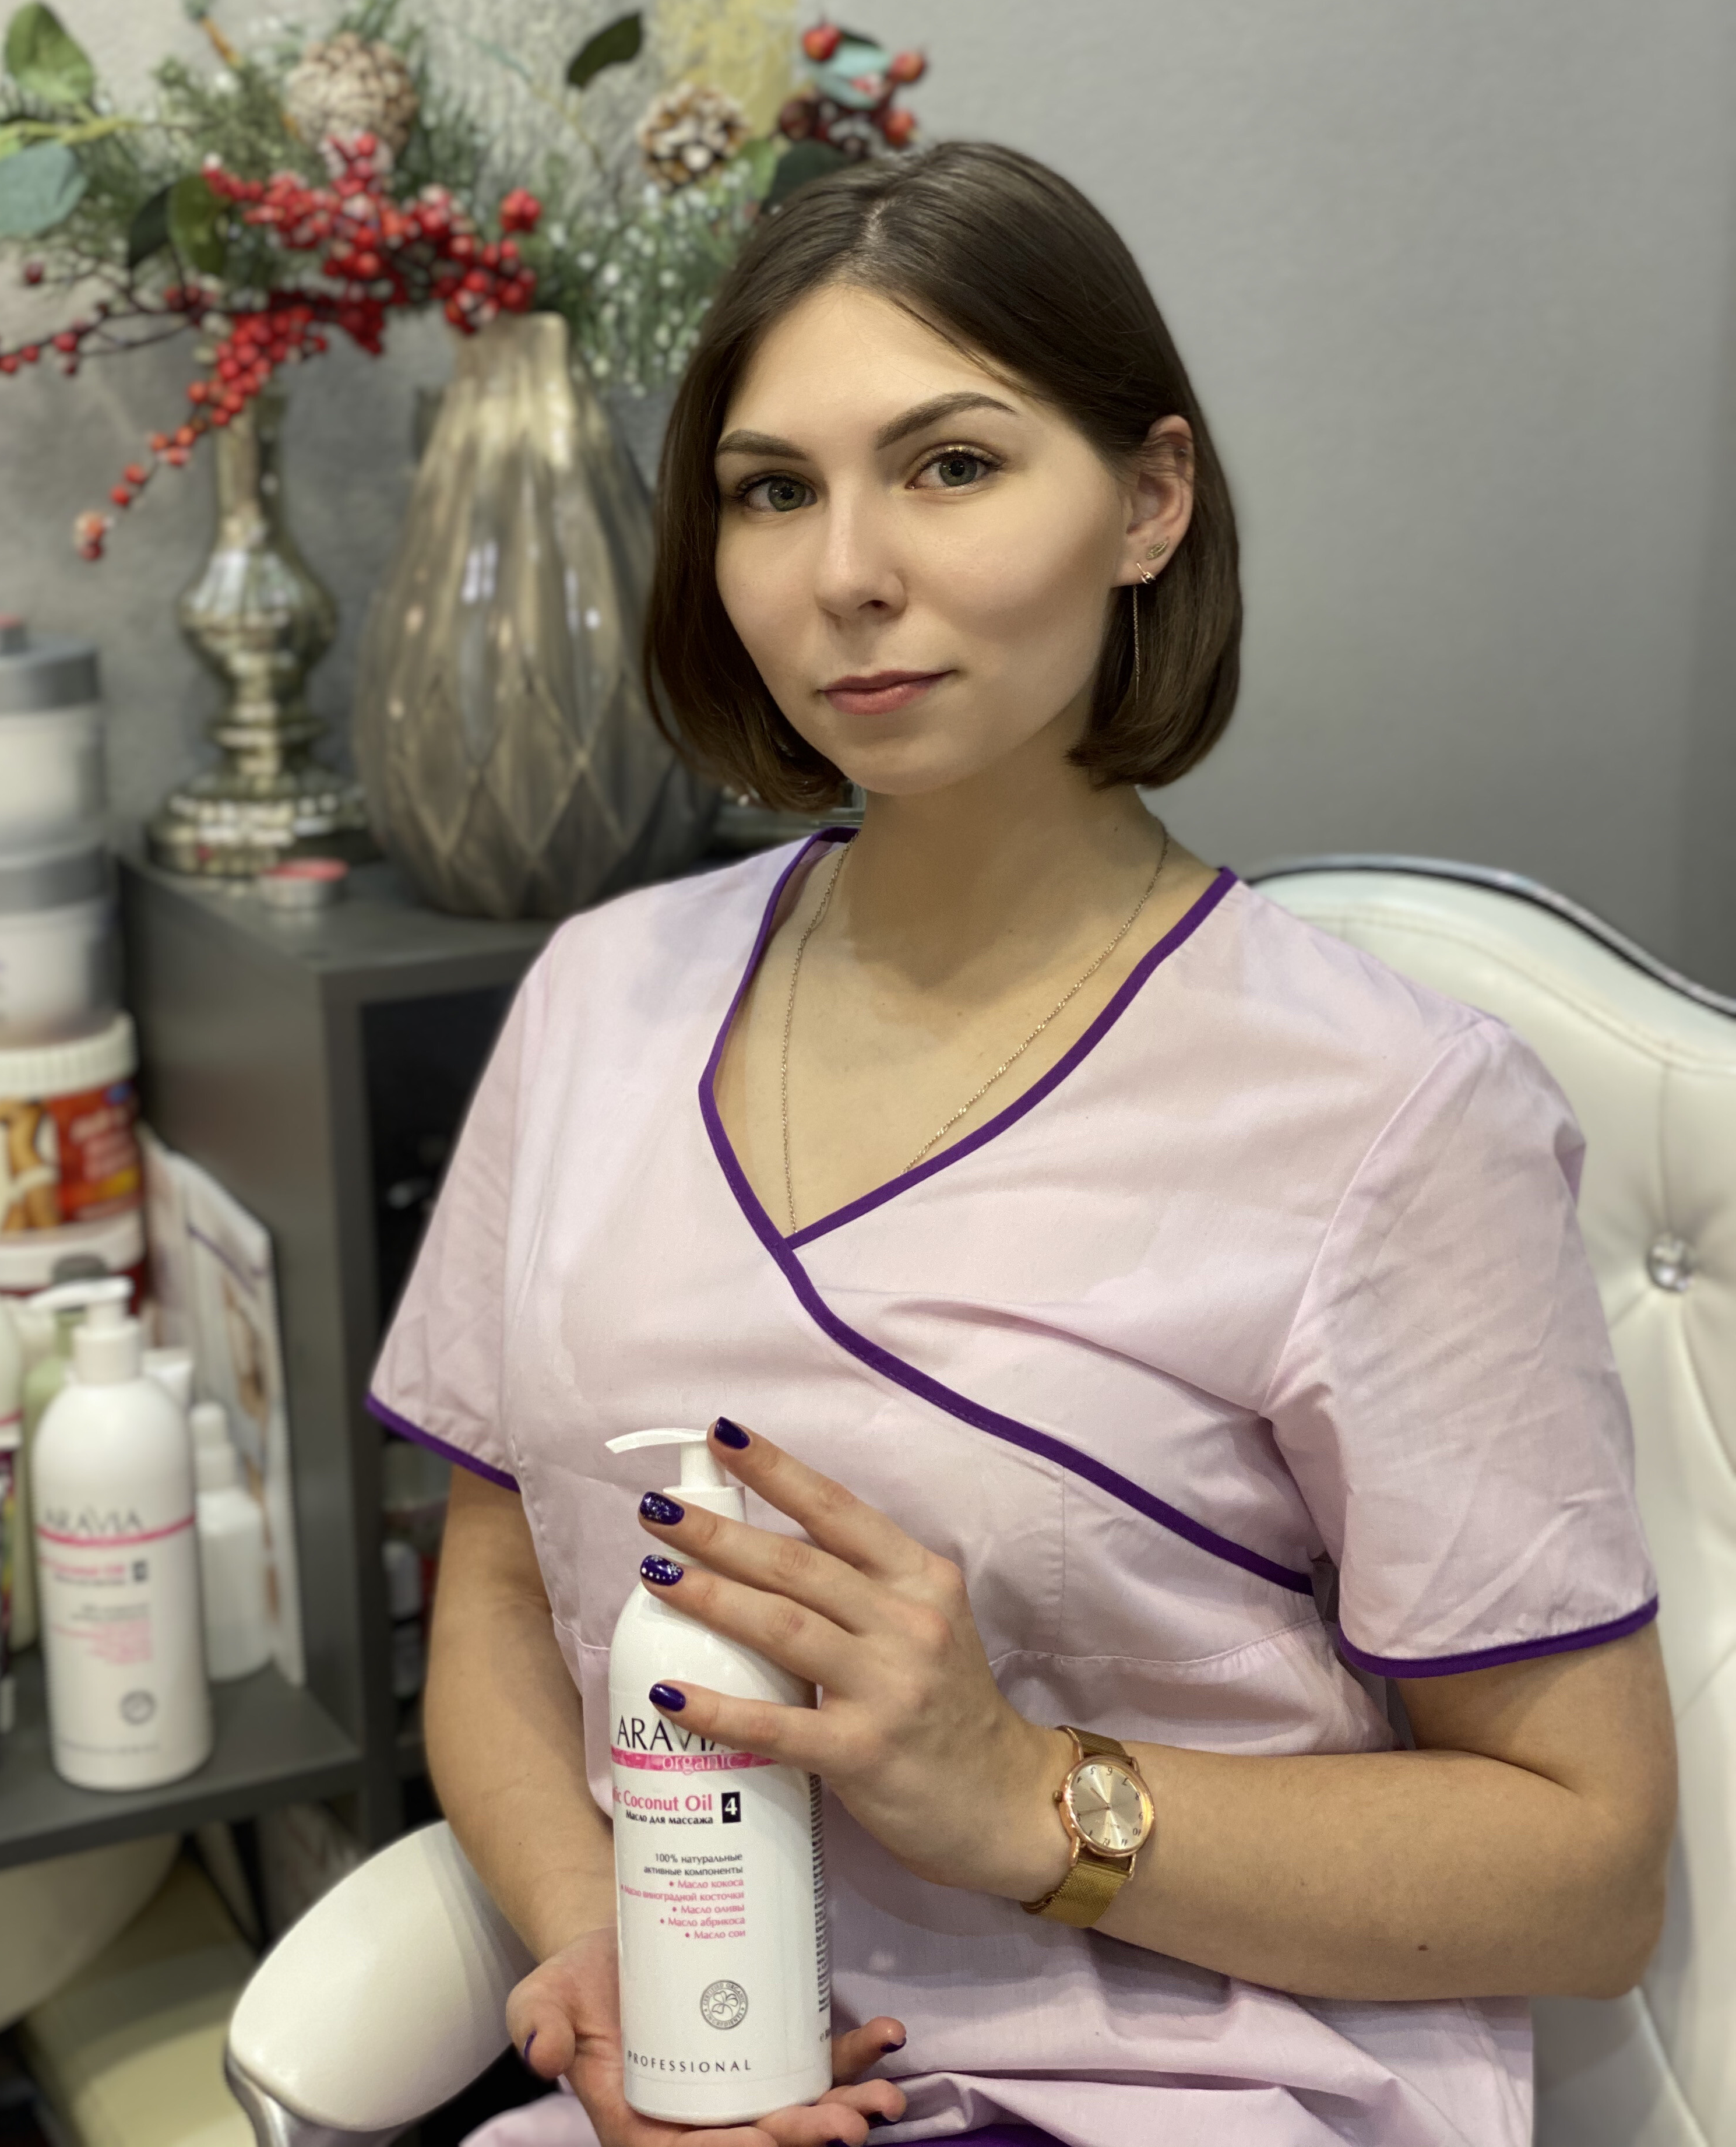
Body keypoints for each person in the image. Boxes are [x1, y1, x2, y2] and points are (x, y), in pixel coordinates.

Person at [370, 143, 1675, 2147]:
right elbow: (493, 1590)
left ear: (1151, 501)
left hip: (1190, 2087)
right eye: (772, 490)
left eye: (953, 465)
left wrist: (1022, 1796)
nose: (845, 572)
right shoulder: (601, 996)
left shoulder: (1392, 1112)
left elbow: (1586, 1878)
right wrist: (611, 1953)